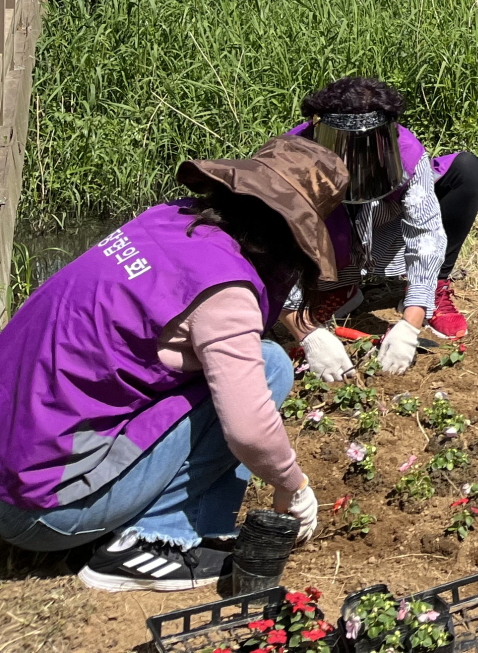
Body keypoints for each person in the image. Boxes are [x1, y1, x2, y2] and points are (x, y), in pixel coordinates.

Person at [0, 137, 342, 591]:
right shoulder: (225, 290)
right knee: (270, 366)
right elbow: (249, 429)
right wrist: (292, 486)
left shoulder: (165, 222)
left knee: (222, 371)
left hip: (19, 458)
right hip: (40, 510)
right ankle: (152, 545)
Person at [284, 77, 478, 371]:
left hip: (383, 225)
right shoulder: (288, 158)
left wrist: (411, 323)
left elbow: (425, 233)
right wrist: (306, 332)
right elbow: (270, 252)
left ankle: (433, 289)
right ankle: (336, 285)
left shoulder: (405, 151)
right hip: (326, 230)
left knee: (465, 170)